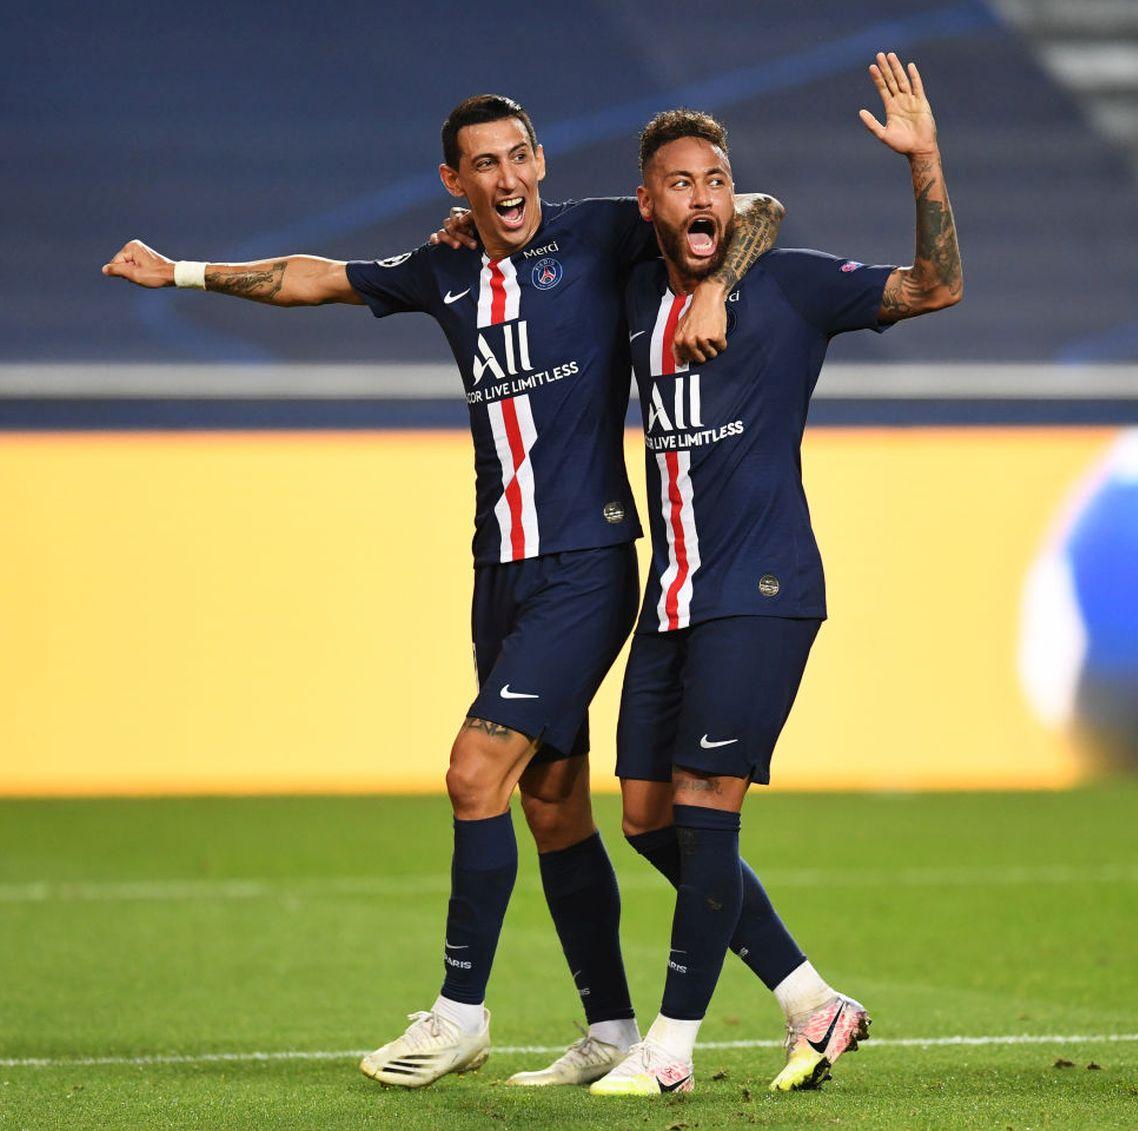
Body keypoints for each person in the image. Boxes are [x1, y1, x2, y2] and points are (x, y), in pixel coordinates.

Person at [101, 94, 783, 1089]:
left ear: (541, 161)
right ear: (453, 182)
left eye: (518, 158)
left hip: (586, 565)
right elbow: (316, 279)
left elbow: (748, 206)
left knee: (475, 774)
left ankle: (460, 1013)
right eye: (484, 165)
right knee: (551, 807)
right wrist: (182, 272)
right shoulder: (446, 266)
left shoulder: (600, 232)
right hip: (497, 573)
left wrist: (716, 282)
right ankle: (610, 1028)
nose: (506, 180)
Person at [589, 53, 963, 1097]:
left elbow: (938, 286)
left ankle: (670, 1051)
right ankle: (813, 1002)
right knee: (648, 818)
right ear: (647, 203)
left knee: (711, 804)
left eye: (716, 179)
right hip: (672, 596)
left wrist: (924, 163)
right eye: (680, 182)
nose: (703, 195)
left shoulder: (792, 286)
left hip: (760, 589)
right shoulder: (629, 293)